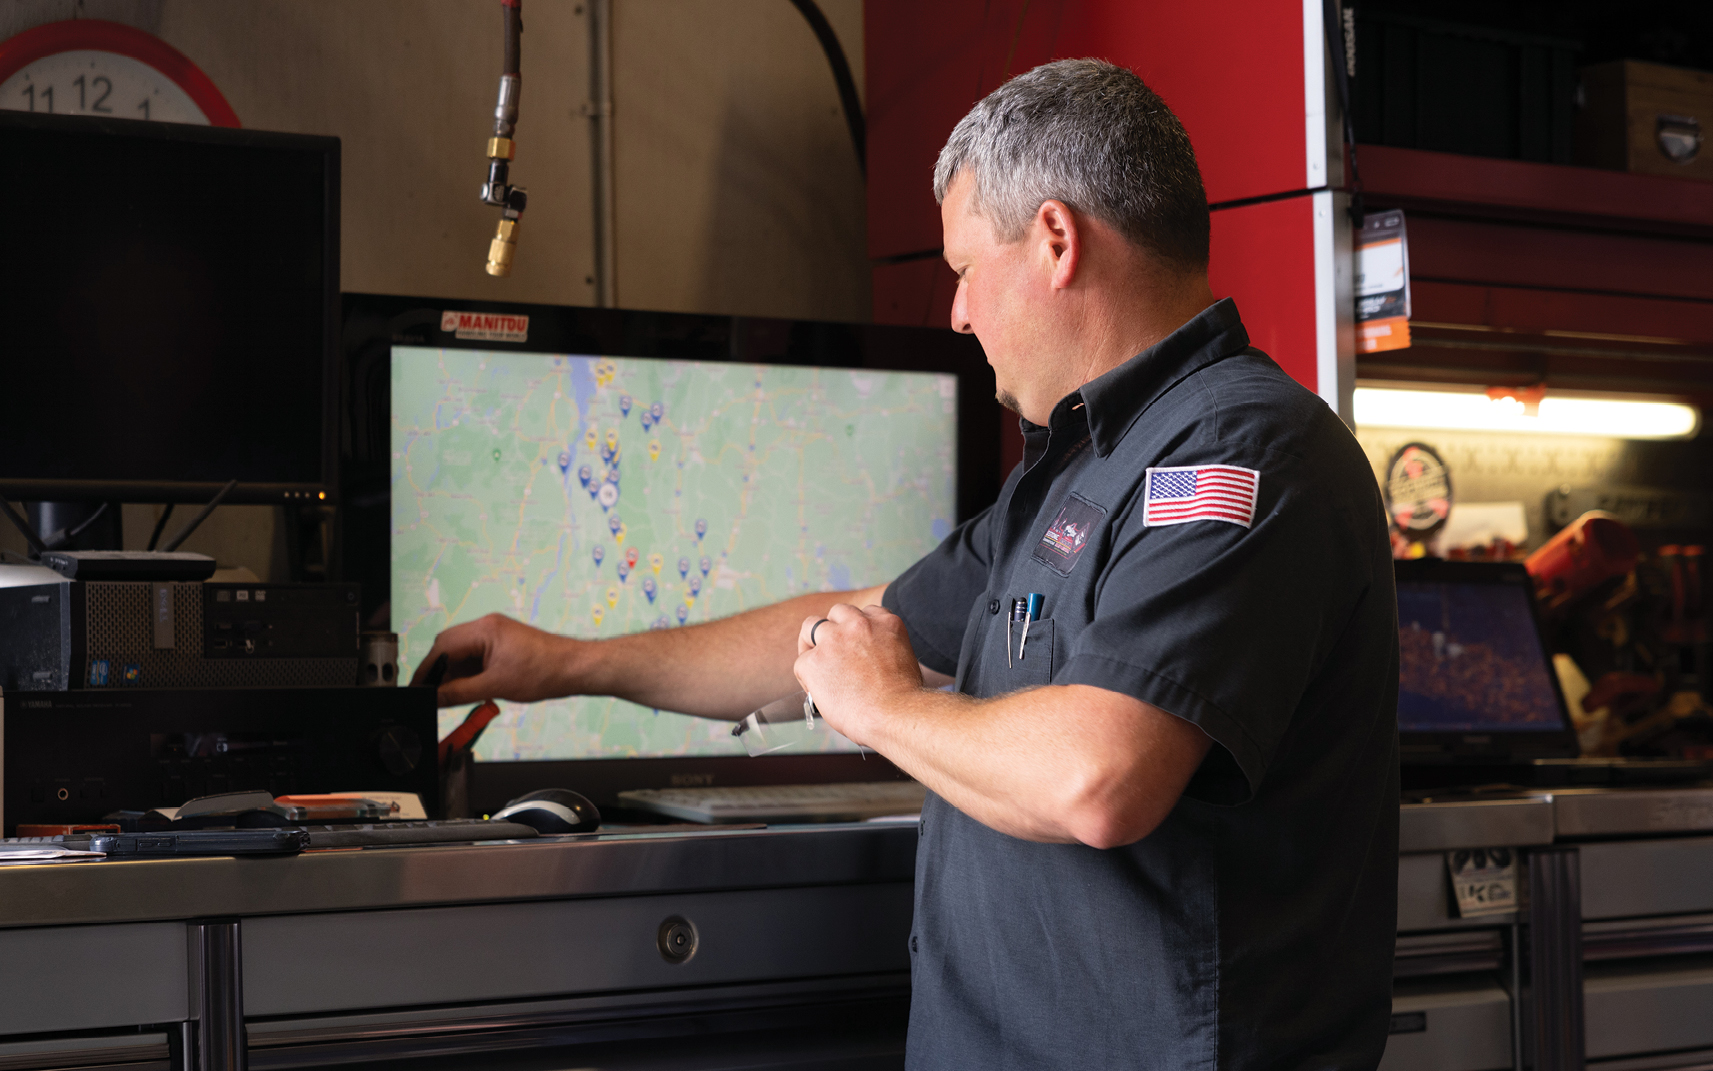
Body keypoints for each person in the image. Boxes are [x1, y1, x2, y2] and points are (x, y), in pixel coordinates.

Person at [415, 58, 1399, 1071]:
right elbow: (847, 628)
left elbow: (1098, 779)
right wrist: (567, 663)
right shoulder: (1076, 470)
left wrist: (883, 709)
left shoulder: (1237, 453)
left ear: (1056, 242)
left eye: (965, 270)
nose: (958, 314)